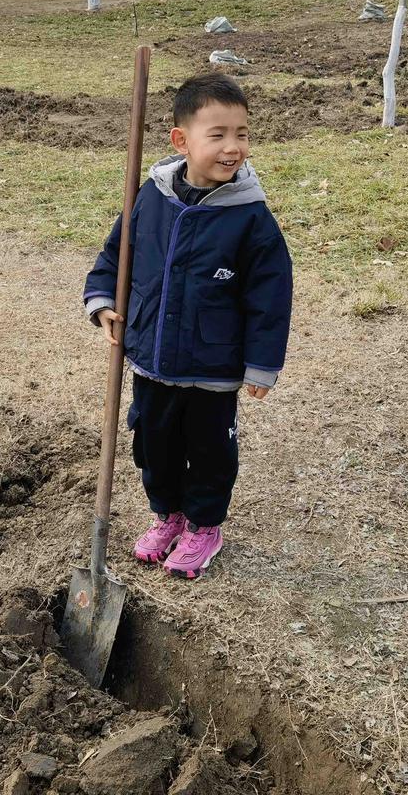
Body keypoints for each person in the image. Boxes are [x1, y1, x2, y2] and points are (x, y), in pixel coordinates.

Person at [82, 73, 293, 580]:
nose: (233, 147)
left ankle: (203, 527)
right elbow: (117, 256)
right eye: (217, 134)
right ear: (181, 140)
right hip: (151, 357)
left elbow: (271, 297)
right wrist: (104, 300)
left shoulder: (250, 218)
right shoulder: (150, 198)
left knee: (209, 450)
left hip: (213, 364)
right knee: (153, 444)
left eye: (242, 133)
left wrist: (261, 365)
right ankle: (168, 516)